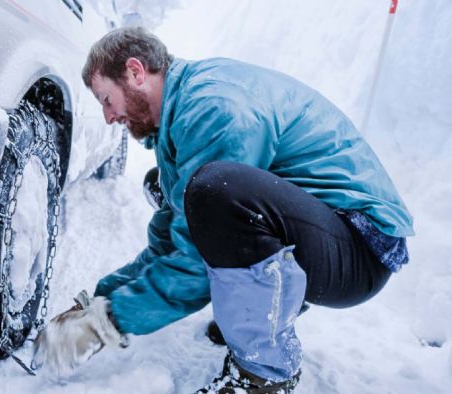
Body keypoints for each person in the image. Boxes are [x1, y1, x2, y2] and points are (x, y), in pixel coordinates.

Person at [32, 27, 413, 393]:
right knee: (197, 193)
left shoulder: (213, 107)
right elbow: (171, 241)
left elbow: (196, 260)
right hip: (326, 232)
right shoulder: (180, 115)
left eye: (106, 99)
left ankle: (264, 377)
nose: (109, 117)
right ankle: (256, 310)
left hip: (358, 247)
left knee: (215, 193)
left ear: (134, 72)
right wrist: (98, 301)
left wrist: (107, 323)